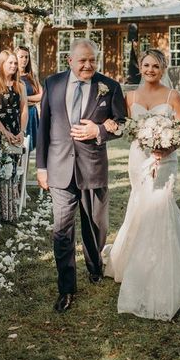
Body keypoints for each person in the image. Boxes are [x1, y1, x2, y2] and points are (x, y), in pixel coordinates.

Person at [103, 49, 180, 320]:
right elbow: (125, 127)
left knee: (161, 207)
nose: (150, 70)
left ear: (163, 68)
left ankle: (165, 272)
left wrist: (163, 149)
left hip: (165, 162)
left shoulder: (172, 96)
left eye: (156, 65)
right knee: (140, 205)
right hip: (138, 159)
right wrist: (111, 125)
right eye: (146, 65)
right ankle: (134, 263)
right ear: (140, 67)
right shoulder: (129, 96)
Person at [36, 38, 127, 313]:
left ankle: (94, 265)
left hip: (93, 167)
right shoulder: (52, 84)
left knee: (95, 226)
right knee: (62, 230)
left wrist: (98, 131)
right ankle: (66, 289)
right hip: (60, 167)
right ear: (70, 61)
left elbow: (121, 124)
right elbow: (43, 128)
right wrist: (41, 167)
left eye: (92, 60)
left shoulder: (109, 86)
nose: (88, 65)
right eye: (82, 60)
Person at [0, 50, 28, 223]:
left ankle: (8, 213)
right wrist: (4, 132)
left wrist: (21, 131)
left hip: (14, 132)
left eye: (15, 63)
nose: (14, 66)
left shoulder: (20, 85)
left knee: (10, 171)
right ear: (1, 64)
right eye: (10, 63)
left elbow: (24, 110)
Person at [15, 45, 42, 151]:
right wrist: (31, 99)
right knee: (17, 146)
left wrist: (24, 98)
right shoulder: (12, 76)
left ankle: (25, 168)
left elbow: (41, 95)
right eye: (21, 57)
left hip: (31, 113)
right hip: (18, 114)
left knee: (29, 148)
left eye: (26, 57)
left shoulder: (31, 76)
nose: (24, 60)